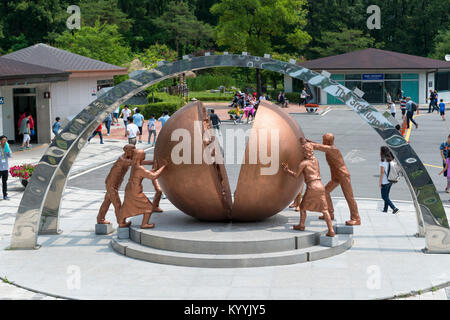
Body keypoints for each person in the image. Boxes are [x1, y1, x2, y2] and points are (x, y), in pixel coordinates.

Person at [281, 139, 335, 237]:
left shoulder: (304, 164)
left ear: (304, 152)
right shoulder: (316, 161)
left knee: (302, 207)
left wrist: (287, 170)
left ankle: (301, 225)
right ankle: (331, 230)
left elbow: (296, 175)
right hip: (320, 186)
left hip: (312, 186)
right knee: (324, 210)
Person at [307, 134, 361, 226]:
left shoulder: (333, 149)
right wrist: (309, 141)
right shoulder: (328, 148)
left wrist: (308, 144)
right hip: (336, 176)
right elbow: (320, 146)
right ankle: (330, 213)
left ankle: (356, 218)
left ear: (328, 141)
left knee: (349, 197)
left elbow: (319, 147)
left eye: (324, 140)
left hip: (343, 175)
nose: (323, 141)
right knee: (325, 192)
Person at [118, 150, 167, 229]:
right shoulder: (140, 168)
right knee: (149, 207)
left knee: (127, 205)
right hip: (135, 191)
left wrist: (151, 169)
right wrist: (163, 166)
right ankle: (144, 224)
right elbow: (153, 176)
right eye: (144, 155)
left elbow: (142, 174)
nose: (145, 156)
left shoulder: (135, 165)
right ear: (141, 157)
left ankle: (121, 222)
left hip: (129, 188)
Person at [379, 146, 399, 214]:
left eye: (380, 151)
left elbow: (382, 172)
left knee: (384, 196)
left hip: (385, 181)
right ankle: (385, 209)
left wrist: (380, 182)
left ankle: (394, 208)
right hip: (390, 180)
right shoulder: (390, 159)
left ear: (382, 152)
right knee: (387, 196)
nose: (379, 152)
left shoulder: (383, 161)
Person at [0, 135, 12, 200]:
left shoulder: (7, 147)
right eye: (3, 140)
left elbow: (10, 156)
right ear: (0, 141)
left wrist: (7, 149)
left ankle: (5, 195)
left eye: (5, 140)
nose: (5, 141)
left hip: (5, 168)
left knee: (4, 182)